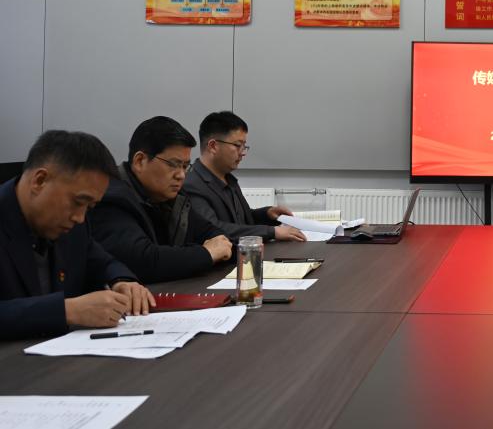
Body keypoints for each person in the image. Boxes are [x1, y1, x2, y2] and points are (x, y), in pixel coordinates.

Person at [0, 131, 154, 340]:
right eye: (78, 202)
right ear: (40, 180)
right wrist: (66, 310)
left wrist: (122, 281)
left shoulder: (72, 225)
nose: (80, 218)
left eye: (89, 207)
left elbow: (102, 261)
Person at [90, 117, 233, 283]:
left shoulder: (170, 197)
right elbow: (143, 261)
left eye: (185, 166)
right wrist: (206, 253)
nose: (181, 175)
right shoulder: (111, 197)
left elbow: (211, 233)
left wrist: (217, 247)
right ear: (140, 161)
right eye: (173, 164)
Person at [183, 111, 304, 243]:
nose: (242, 153)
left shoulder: (228, 179)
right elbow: (213, 229)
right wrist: (272, 232)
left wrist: (267, 214)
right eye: (237, 145)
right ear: (213, 146)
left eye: (244, 146)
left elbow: (242, 221)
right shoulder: (192, 184)